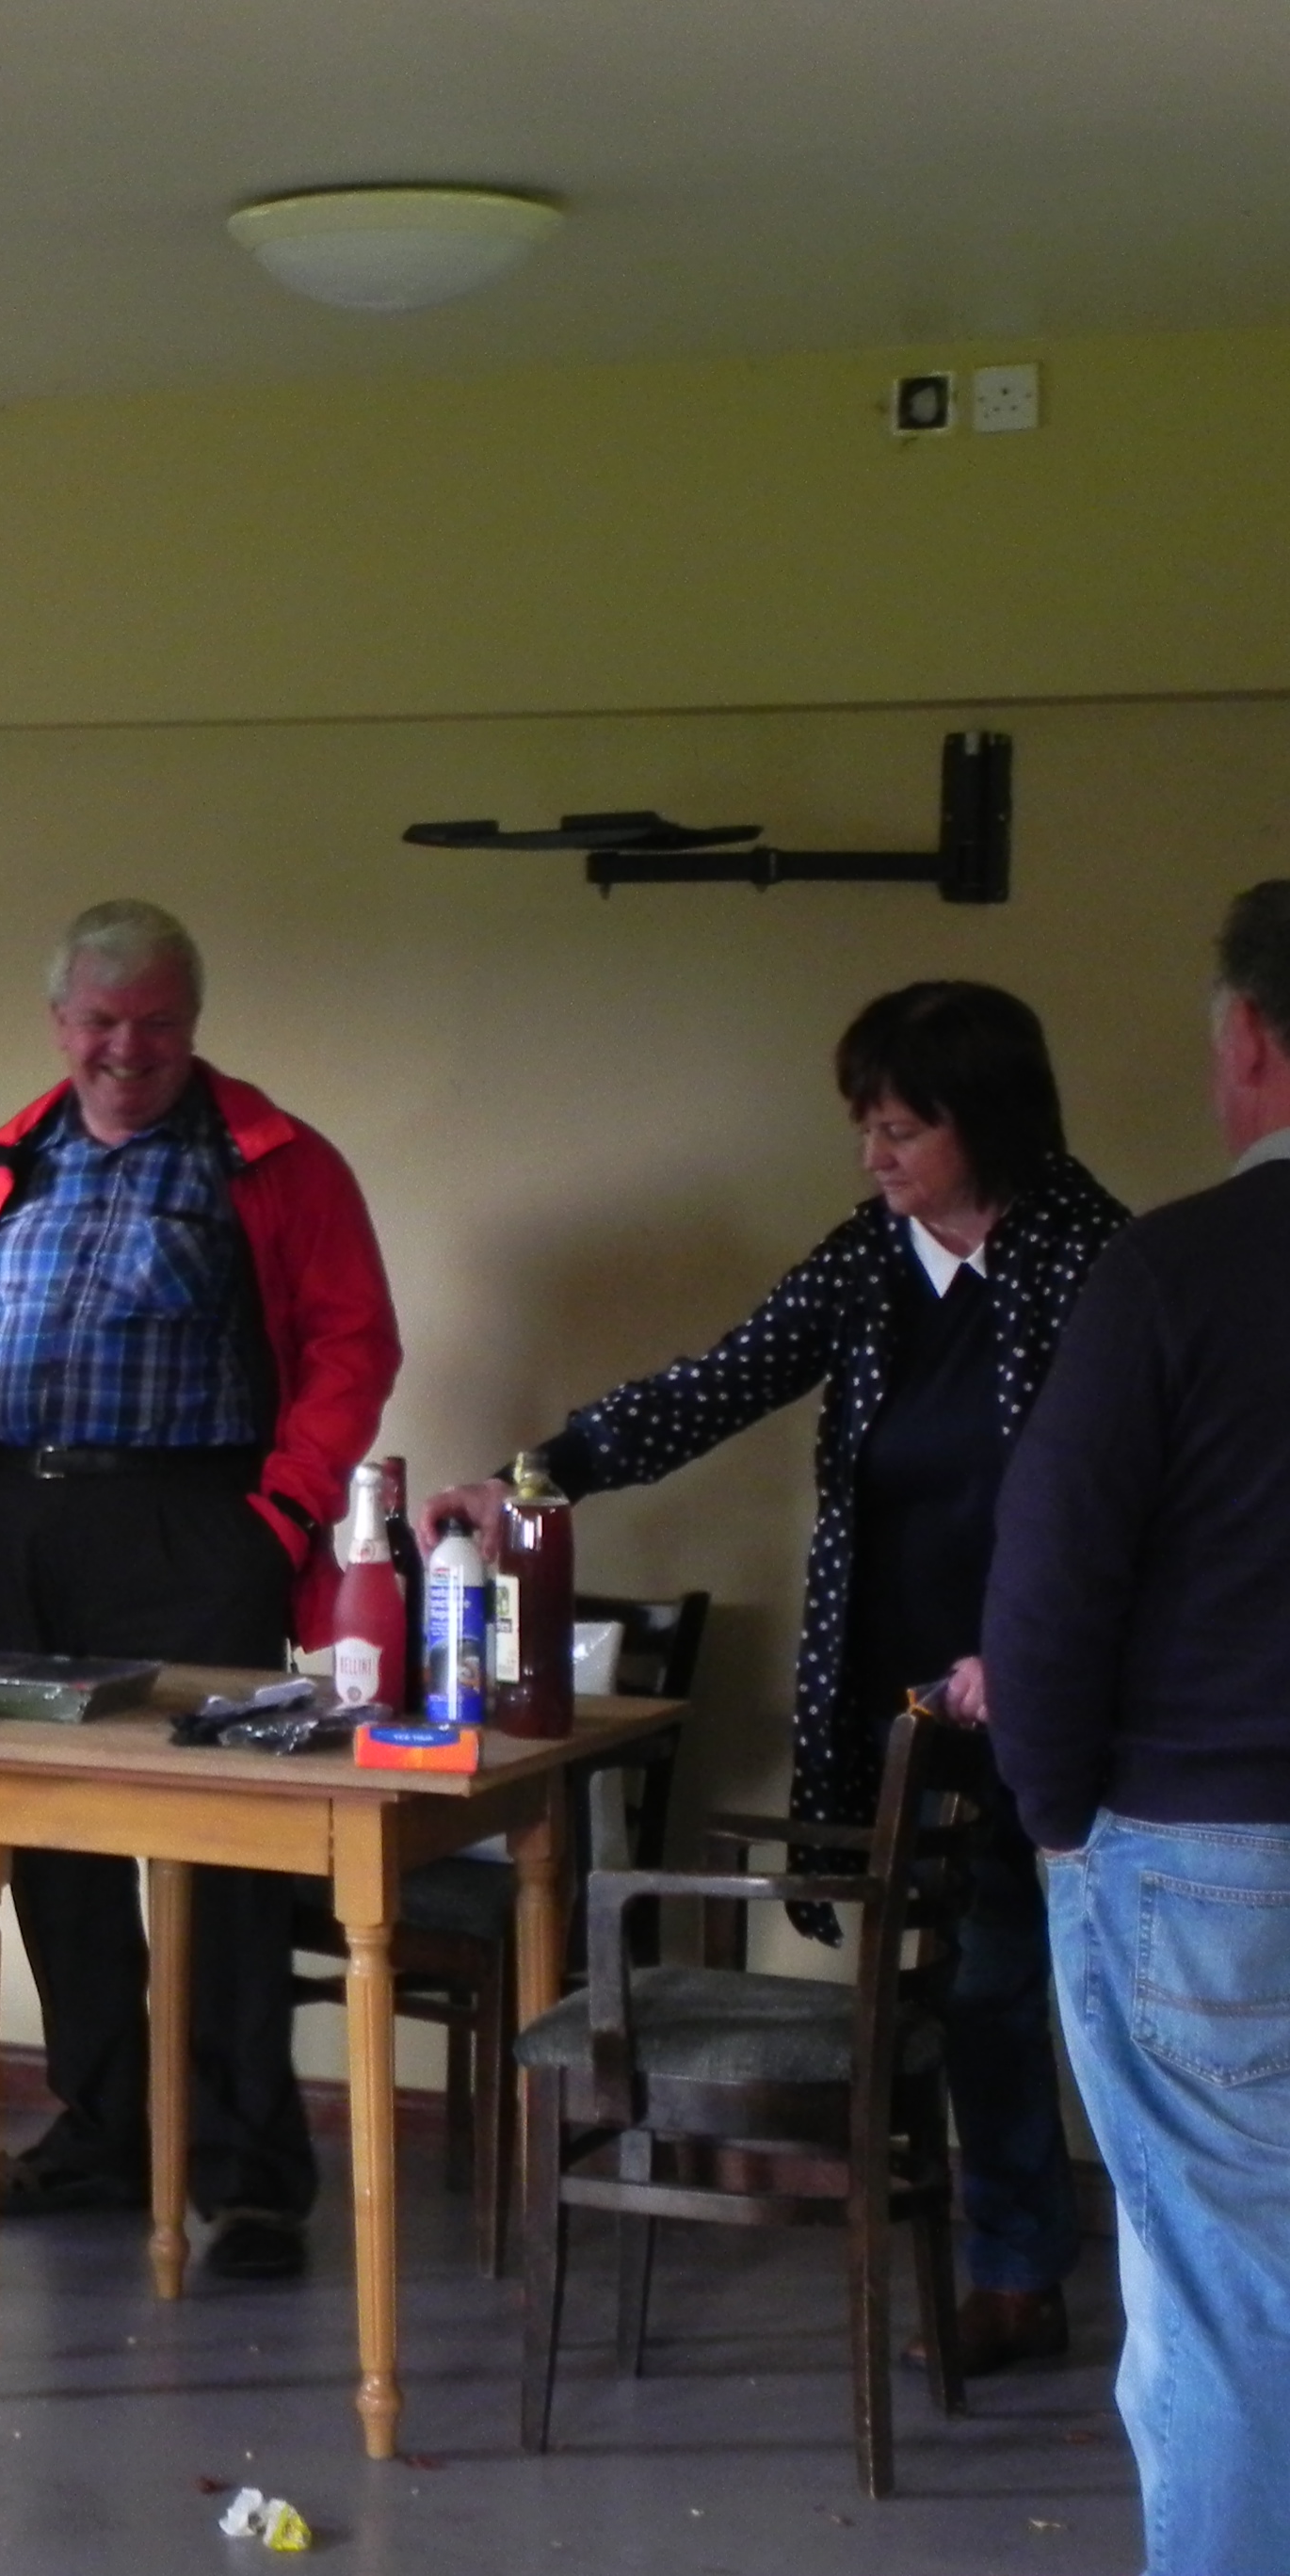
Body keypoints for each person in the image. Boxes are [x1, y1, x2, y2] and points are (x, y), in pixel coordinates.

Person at [429, 980, 1124, 2372]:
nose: (873, 1157)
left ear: (986, 1123)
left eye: (902, 1131)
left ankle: (1059, 2273)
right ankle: (1003, 2263)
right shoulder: (874, 1256)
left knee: (1037, 1980)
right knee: (957, 1984)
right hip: (899, 1681)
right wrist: (535, 1478)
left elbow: (1128, 1491)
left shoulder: (1093, 1257)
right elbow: (717, 1383)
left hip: (1050, 1678)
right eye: (865, 1127)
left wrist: (1036, 1647)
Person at [0, 899, 400, 2279]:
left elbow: (354, 1344)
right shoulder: (5, 1160)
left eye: (160, 1025)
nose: (129, 1050)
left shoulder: (276, 1160)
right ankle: (107, 2131)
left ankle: (249, 2178)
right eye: (102, 1023)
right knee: (54, 1848)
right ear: (60, 1022)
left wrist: (281, 1515)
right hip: (18, 1528)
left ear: (195, 1023)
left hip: (197, 1529)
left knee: (227, 1860)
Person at [985, 881, 1290, 2575]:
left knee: (1230, 2297)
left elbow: (1050, 1581)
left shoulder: (1172, 1270)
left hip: (1206, 1854)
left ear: (1247, 1041)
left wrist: (1052, 1813)